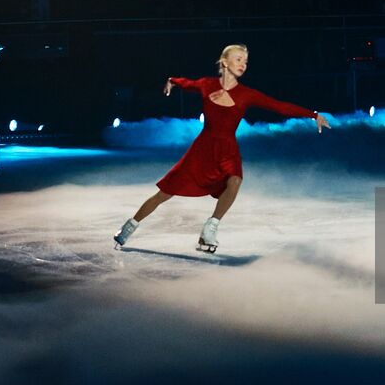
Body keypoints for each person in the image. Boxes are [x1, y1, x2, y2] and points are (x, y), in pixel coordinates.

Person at [113, 44, 331, 253]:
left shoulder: (247, 94)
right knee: (165, 193)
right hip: (203, 149)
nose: (243, 64)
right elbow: (187, 83)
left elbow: (280, 106)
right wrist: (172, 81)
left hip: (227, 148)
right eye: (238, 59)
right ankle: (130, 225)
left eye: (245, 61)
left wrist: (313, 115)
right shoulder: (207, 85)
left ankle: (211, 228)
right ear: (225, 62)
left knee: (235, 180)